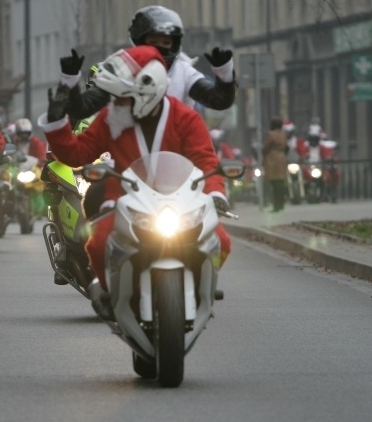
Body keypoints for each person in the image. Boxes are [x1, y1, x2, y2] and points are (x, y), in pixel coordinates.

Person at [38, 45, 231, 314]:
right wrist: (57, 122)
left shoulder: (185, 118)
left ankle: (202, 285)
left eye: (125, 92)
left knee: (221, 241)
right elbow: (75, 153)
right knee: (97, 243)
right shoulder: (110, 119)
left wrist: (215, 193)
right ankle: (107, 290)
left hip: (178, 197)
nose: (118, 101)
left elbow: (206, 161)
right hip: (123, 198)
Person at [56, 5, 236, 120]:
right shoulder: (119, 67)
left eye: (166, 42)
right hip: (126, 152)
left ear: (175, 43)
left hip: (172, 153)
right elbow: (82, 109)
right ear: (139, 41)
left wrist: (224, 75)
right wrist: (70, 82)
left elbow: (219, 101)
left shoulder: (183, 70)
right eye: (153, 42)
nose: (159, 48)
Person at [262, 117, 290, 212]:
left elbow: (266, 147)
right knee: (280, 182)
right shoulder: (284, 134)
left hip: (272, 159)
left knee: (274, 184)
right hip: (282, 158)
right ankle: (281, 204)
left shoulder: (271, 134)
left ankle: (276, 206)